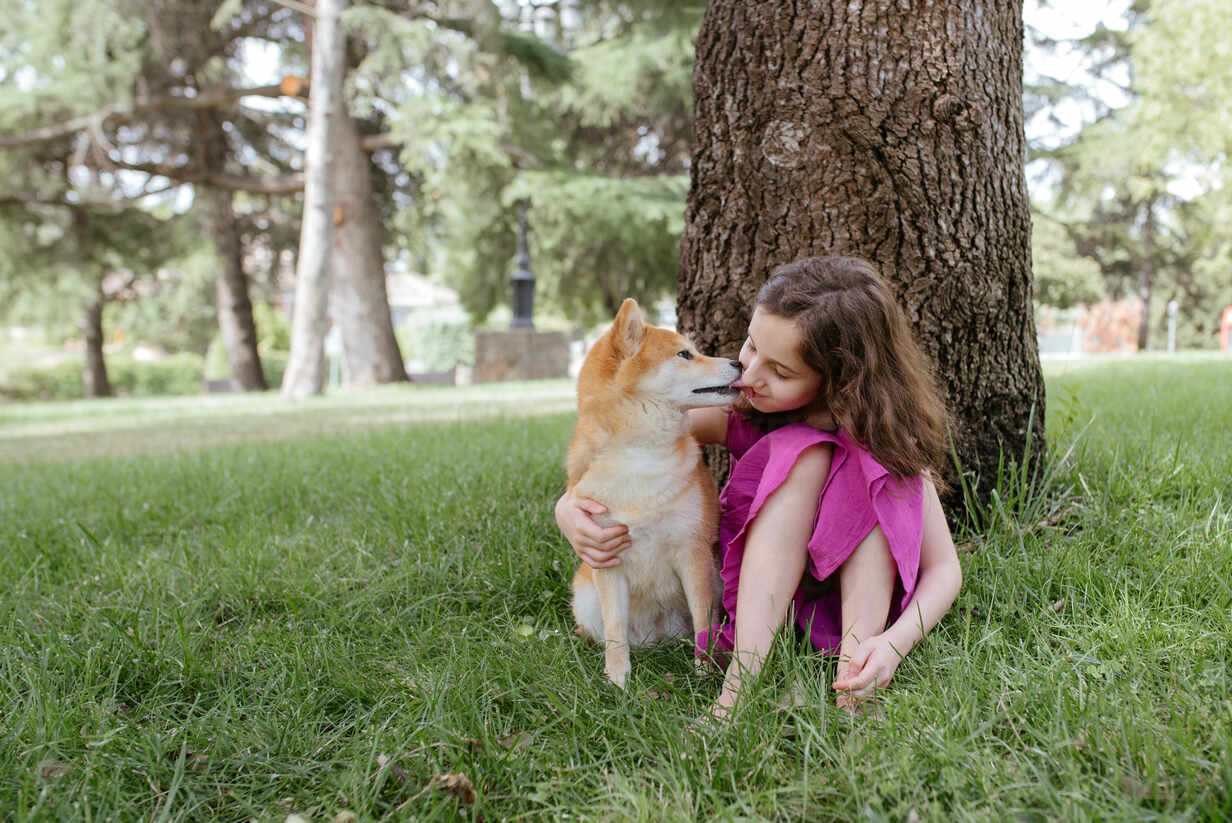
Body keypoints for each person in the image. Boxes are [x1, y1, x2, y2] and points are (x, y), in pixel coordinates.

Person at [555, 256, 963, 716]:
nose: (749, 375)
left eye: (780, 372)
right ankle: (738, 687)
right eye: (751, 347)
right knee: (803, 454)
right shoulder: (742, 411)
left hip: (845, 612)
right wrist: (568, 507)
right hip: (757, 607)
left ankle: (856, 676)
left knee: (862, 466)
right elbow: (621, 444)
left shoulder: (891, 448)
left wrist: (895, 643)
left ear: (841, 381)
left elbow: (945, 568)